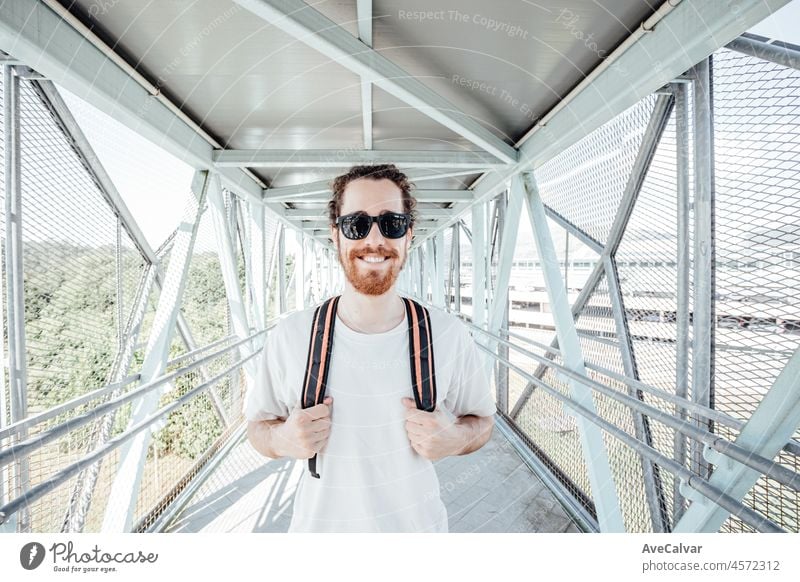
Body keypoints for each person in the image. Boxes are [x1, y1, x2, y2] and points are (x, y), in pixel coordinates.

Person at [244, 164, 495, 532]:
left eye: (391, 223)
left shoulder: (448, 335)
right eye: (356, 224)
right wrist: (283, 439)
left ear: (408, 234)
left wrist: (455, 438)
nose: (374, 240)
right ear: (336, 235)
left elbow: (482, 422)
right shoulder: (291, 336)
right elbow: (258, 428)